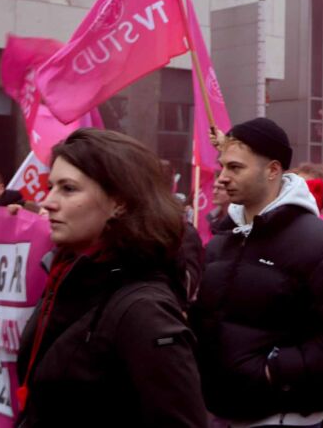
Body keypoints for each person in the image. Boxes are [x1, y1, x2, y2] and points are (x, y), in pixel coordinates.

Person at [15, 128, 206, 426]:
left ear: (119, 203)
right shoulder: (66, 276)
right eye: (50, 187)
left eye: (68, 189)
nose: (48, 201)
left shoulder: (144, 310)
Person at [193, 118, 323, 428]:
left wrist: (275, 371)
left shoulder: (319, 242)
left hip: (287, 417)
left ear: (273, 170)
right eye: (222, 167)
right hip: (225, 414)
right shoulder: (223, 240)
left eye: (235, 168)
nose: (222, 177)